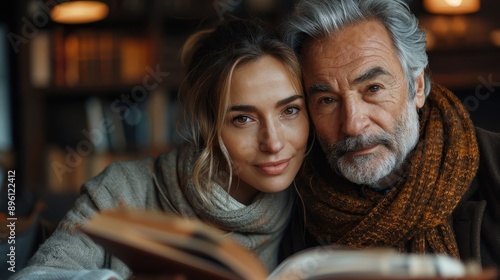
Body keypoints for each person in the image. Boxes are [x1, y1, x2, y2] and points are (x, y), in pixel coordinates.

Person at [12, 19, 309, 280]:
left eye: (290, 111)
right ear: (206, 126)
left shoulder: (310, 197)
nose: (274, 143)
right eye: (243, 119)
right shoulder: (124, 190)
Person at [279, 0, 500, 272]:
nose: (353, 124)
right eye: (327, 100)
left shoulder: (496, 168)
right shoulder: (292, 202)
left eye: (373, 88)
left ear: (417, 87)